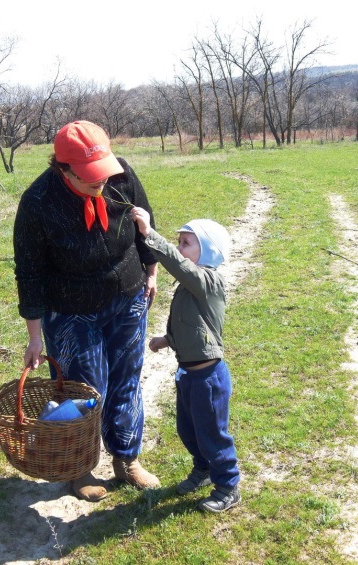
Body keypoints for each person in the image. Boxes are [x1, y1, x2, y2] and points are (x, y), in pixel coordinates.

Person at [13, 120, 160, 501]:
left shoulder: (120, 175)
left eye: (103, 170)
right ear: (63, 168)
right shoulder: (38, 203)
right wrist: (33, 335)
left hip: (126, 296)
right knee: (85, 390)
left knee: (127, 377)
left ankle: (126, 458)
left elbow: (144, 221)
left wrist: (151, 269)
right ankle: (80, 467)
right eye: (89, 175)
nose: (101, 182)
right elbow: (29, 272)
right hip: (71, 311)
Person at [131, 206, 241, 513]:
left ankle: (228, 486)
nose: (180, 249)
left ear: (208, 251)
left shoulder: (209, 281)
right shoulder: (192, 285)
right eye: (178, 242)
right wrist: (167, 340)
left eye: (186, 243)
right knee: (188, 429)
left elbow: (180, 266)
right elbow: (192, 323)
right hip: (189, 375)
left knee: (212, 434)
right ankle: (203, 469)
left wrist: (150, 234)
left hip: (209, 378)